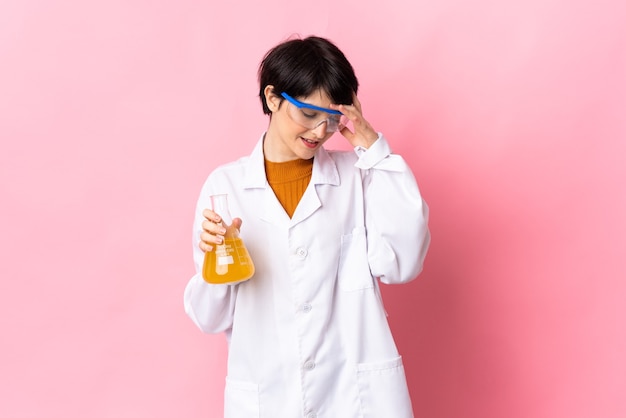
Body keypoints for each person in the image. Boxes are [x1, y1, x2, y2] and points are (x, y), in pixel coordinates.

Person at [184, 35, 431, 418]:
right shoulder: (226, 187)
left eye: (333, 119)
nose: (320, 131)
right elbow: (209, 317)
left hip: (354, 396)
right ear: (272, 98)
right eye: (309, 114)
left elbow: (403, 263)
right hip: (269, 396)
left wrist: (376, 151)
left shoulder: (359, 177)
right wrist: (215, 264)